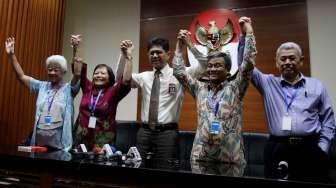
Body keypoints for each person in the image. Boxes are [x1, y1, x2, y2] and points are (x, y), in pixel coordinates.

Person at [173, 17, 256, 165]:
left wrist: (249, 33)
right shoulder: (199, 89)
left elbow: (248, 64)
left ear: (227, 69)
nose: (212, 69)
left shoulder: (235, 88)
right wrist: (179, 47)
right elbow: (179, 73)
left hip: (230, 161)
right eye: (210, 66)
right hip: (201, 160)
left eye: (217, 66)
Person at [248, 41, 336, 181]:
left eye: (292, 58)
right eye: (283, 59)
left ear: (301, 61)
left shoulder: (317, 86)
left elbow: (328, 120)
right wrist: (246, 35)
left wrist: (322, 148)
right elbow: (247, 66)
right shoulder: (268, 84)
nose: (287, 62)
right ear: (277, 62)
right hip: (277, 148)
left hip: (310, 148)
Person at [116, 36, 207, 161]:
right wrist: (124, 55)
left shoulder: (180, 74)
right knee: (139, 170)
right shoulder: (144, 77)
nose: (154, 55)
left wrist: (190, 45)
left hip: (167, 133)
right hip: (144, 132)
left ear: (168, 55)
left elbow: (205, 65)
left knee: (166, 173)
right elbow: (120, 79)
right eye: (151, 53)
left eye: (158, 52)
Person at [4, 37, 80, 151]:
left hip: (60, 146)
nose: (52, 72)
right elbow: (21, 76)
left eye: (56, 70)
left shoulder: (69, 89)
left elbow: (78, 73)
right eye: (49, 69)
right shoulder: (41, 86)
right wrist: (11, 55)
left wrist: (76, 49)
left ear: (63, 72)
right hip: (39, 142)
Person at [70, 36, 133, 151]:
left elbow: (126, 80)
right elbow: (77, 71)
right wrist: (76, 47)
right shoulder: (88, 87)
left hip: (102, 142)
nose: (98, 75)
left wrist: (128, 56)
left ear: (110, 78)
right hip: (81, 139)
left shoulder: (113, 92)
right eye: (96, 73)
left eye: (103, 73)